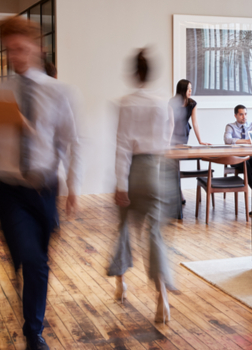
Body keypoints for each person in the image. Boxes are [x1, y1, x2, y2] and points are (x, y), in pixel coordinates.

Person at [0, 17, 82, 350]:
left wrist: (73, 187)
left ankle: (31, 310)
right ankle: (34, 334)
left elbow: (70, 141)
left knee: (36, 262)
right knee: (32, 260)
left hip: (45, 189)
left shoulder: (60, 91)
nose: (15, 56)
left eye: (21, 48)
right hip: (10, 190)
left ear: (37, 48)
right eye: (10, 50)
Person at [108, 49, 173, 324]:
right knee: (154, 234)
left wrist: (121, 183)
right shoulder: (162, 104)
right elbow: (167, 140)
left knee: (123, 228)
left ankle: (121, 284)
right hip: (157, 171)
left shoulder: (126, 103)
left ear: (135, 73)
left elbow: (123, 145)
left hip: (134, 171)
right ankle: (162, 300)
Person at [224, 104, 252, 184]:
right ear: (235, 115)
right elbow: (227, 140)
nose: (244, 117)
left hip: (251, 156)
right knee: (245, 163)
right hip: (236, 157)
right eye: (241, 114)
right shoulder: (230, 126)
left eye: (245, 114)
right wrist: (247, 141)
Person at [169, 79, 209, 146]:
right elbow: (171, 123)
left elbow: (195, 123)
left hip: (184, 130)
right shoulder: (172, 102)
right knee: (171, 151)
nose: (190, 91)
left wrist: (200, 141)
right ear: (182, 90)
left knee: (181, 152)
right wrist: (168, 142)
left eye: (191, 88)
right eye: (188, 89)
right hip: (171, 130)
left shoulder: (192, 104)